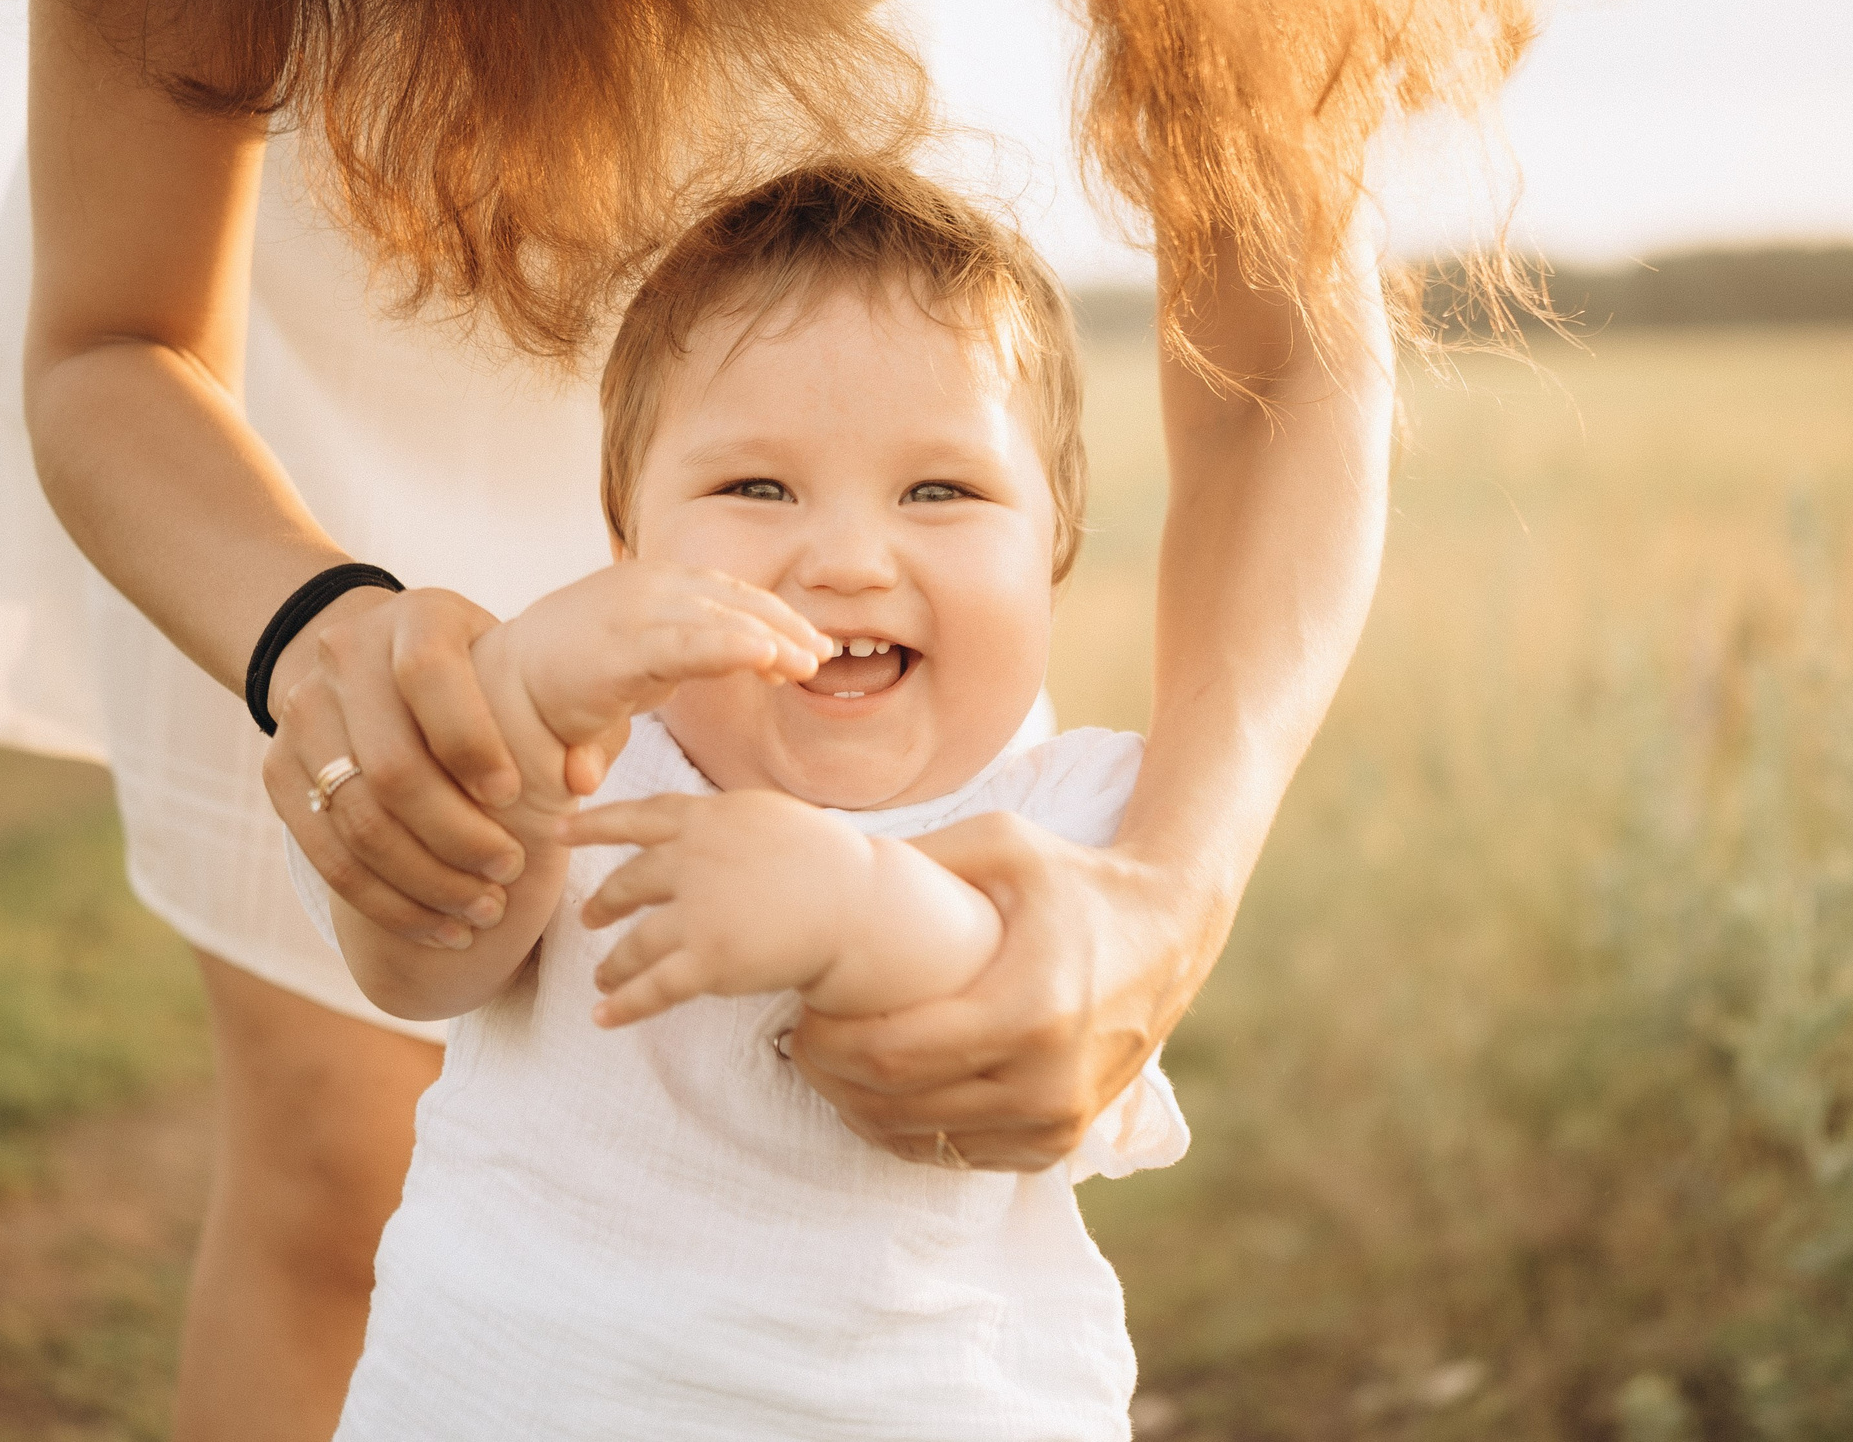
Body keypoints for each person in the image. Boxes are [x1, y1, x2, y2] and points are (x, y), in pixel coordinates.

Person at [0, 0, 1533, 1436]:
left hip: (758, 332)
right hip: (282, 340)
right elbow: (118, 338)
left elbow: (1279, 352)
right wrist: (315, 630)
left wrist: (1169, 892)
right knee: (342, 1163)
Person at [290, 160, 1185, 1439]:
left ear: (1055, 548)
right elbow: (415, 963)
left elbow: (1034, 1040)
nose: (845, 559)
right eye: (754, 489)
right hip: (507, 1400)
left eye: (941, 490)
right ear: (626, 537)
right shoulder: (589, 752)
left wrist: (857, 906)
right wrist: (526, 710)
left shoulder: (1078, 812)